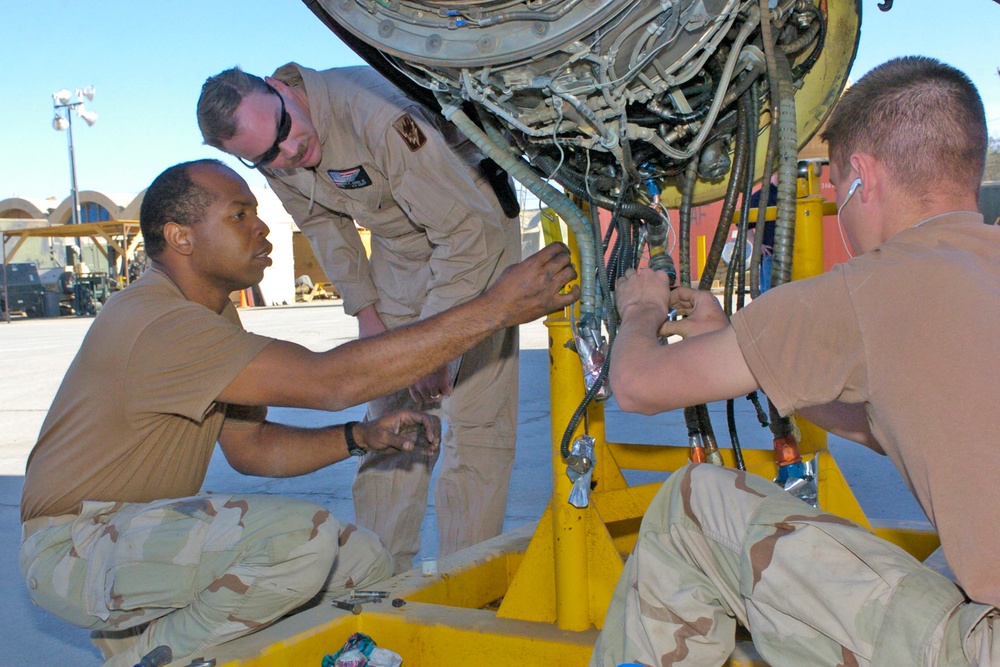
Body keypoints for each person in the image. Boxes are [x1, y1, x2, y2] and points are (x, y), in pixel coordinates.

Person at [18, 159, 579, 667]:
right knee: (299, 540)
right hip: (74, 549)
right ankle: (151, 656)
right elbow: (330, 380)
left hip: (141, 539)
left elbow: (252, 448)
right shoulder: (158, 322)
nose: (261, 228)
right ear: (180, 238)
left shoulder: (209, 317)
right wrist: (495, 309)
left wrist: (361, 435)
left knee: (362, 560)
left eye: (257, 213)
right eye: (240, 215)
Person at [591, 56, 1000, 666]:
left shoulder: (871, 287)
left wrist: (643, 310)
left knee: (692, 509)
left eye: (835, 184)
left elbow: (635, 385)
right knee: (947, 572)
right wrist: (742, 339)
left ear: (862, 175)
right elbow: (895, 422)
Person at [197, 64, 523, 573]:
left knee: (476, 418)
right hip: (398, 245)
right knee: (389, 415)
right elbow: (322, 224)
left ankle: (466, 582)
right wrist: (368, 316)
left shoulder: (374, 115)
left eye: (284, 132)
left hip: (471, 225)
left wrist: (437, 345)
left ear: (281, 90)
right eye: (266, 156)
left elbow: (464, 232)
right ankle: (378, 576)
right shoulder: (269, 145)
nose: (287, 154)